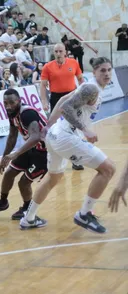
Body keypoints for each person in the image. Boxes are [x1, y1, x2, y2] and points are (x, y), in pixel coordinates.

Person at [20, 57, 116, 233]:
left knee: (53, 178)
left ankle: (28, 218)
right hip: (65, 136)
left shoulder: (88, 86)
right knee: (108, 169)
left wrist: (49, 125)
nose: (107, 73)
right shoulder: (90, 88)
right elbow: (67, 107)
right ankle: (84, 213)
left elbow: (64, 98)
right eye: (102, 70)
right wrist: (85, 130)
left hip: (56, 134)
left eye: (109, 70)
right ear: (94, 72)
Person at [0, 88, 48, 221]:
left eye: (11, 103)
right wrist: (4, 157)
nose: (8, 106)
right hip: (31, 149)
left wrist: (15, 153)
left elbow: (36, 137)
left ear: (19, 101)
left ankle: (27, 208)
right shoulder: (11, 112)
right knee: (9, 174)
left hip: (45, 152)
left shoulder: (27, 113)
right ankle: (3, 202)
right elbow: (12, 136)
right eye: (5, 103)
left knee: (24, 182)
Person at [40, 43, 85, 171]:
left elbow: (81, 80)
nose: (58, 53)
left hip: (71, 97)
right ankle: (52, 159)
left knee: (74, 129)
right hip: (56, 99)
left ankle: (76, 160)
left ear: (65, 52)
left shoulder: (73, 63)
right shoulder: (48, 67)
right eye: (56, 51)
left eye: (60, 51)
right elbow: (43, 86)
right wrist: (44, 101)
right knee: (54, 129)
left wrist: (85, 95)